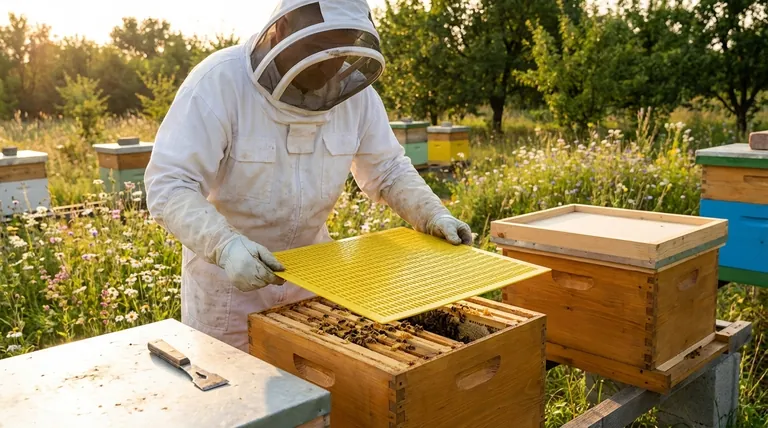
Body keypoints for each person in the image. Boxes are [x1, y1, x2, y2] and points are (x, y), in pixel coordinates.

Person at [144, 0, 473, 352]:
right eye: (319, 47)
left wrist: (432, 213)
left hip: (314, 280)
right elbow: (170, 183)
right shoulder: (219, 83)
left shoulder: (357, 98)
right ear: (282, 29)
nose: (330, 64)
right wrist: (224, 246)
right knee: (234, 400)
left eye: (342, 48)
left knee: (309, 394)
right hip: (228, 287)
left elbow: (388, 169)